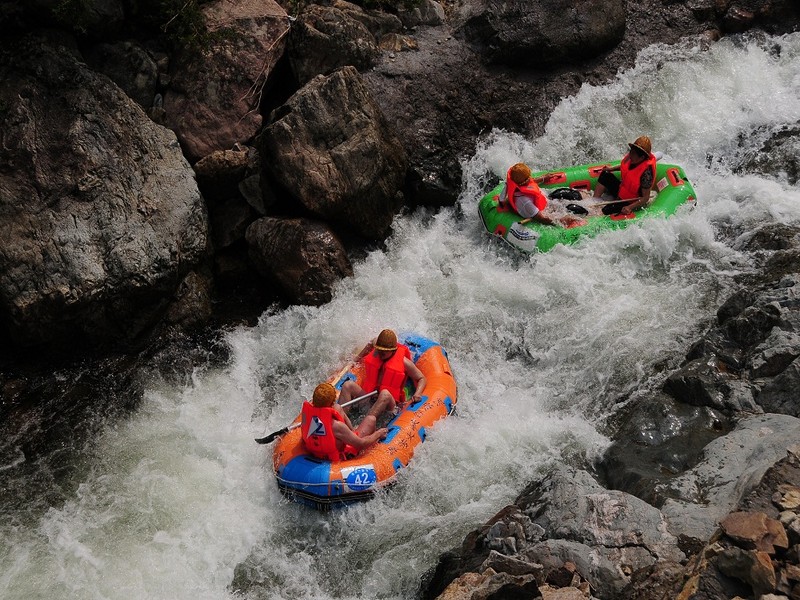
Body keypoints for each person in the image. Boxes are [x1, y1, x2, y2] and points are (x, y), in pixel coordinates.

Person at [338, 329, 426, 420]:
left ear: (393, 350)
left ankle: (364, 424)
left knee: (385, 394)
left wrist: (418, 393)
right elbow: (372, 341)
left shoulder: (404, 362)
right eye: (379, 350)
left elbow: (421, 378)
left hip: (388, 406)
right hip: (369, 397)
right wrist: (356, 359)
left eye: (384, 352)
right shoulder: (377, 348)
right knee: (348, 385)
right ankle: (338, 420)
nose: (380, 353)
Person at [301, 382, 388, 461]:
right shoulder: (337, 426)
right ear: (332, 403)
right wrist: (379, 433)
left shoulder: (306, 416)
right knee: (371, 419)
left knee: (338, 407)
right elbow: (361, 444)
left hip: (317, 452)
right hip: (339, 456)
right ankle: (353, 433)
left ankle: (351, 431)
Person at [593, 136, 657, 215]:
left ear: (642, 157)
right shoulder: (633, 158)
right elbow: (625, 168)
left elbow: (645, 198)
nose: (630, 155)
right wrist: (611, 169)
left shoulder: (647, 174)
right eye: (631, 152)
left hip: (630, 201)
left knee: (606, 210)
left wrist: (630, 207)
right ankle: (594, 200)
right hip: (622, 190)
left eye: (633, 154)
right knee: (605, 175)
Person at [500, 163, 581, 226]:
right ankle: (591, 213)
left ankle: (585, 198)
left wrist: (543, 178)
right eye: (529, 177)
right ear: (524, 181)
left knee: (573, 195)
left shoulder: (516, 183)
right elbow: (542, 219)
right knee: (573, 209)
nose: (530, 178)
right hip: (546, 211)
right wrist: (563, 220)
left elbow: (531, 181)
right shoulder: (524, 202)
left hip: (547, 201)